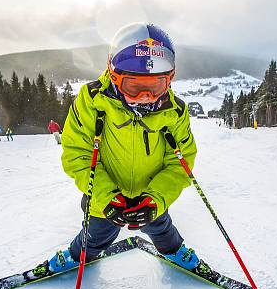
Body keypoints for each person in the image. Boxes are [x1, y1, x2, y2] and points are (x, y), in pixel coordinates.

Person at [46, 22, 199, 273]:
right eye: (134, 87)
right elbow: (78, 155)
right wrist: (106, 197)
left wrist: (155, 199)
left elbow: (180, 163)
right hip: (105, 197)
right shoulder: (92, 101)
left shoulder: (174, 112)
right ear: (114, 75)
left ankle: (173, 251)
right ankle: (78, 255)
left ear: (169, 80)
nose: (145, 97)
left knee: (161, 227)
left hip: (148, 197)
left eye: (156, 86)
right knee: (95, 234)